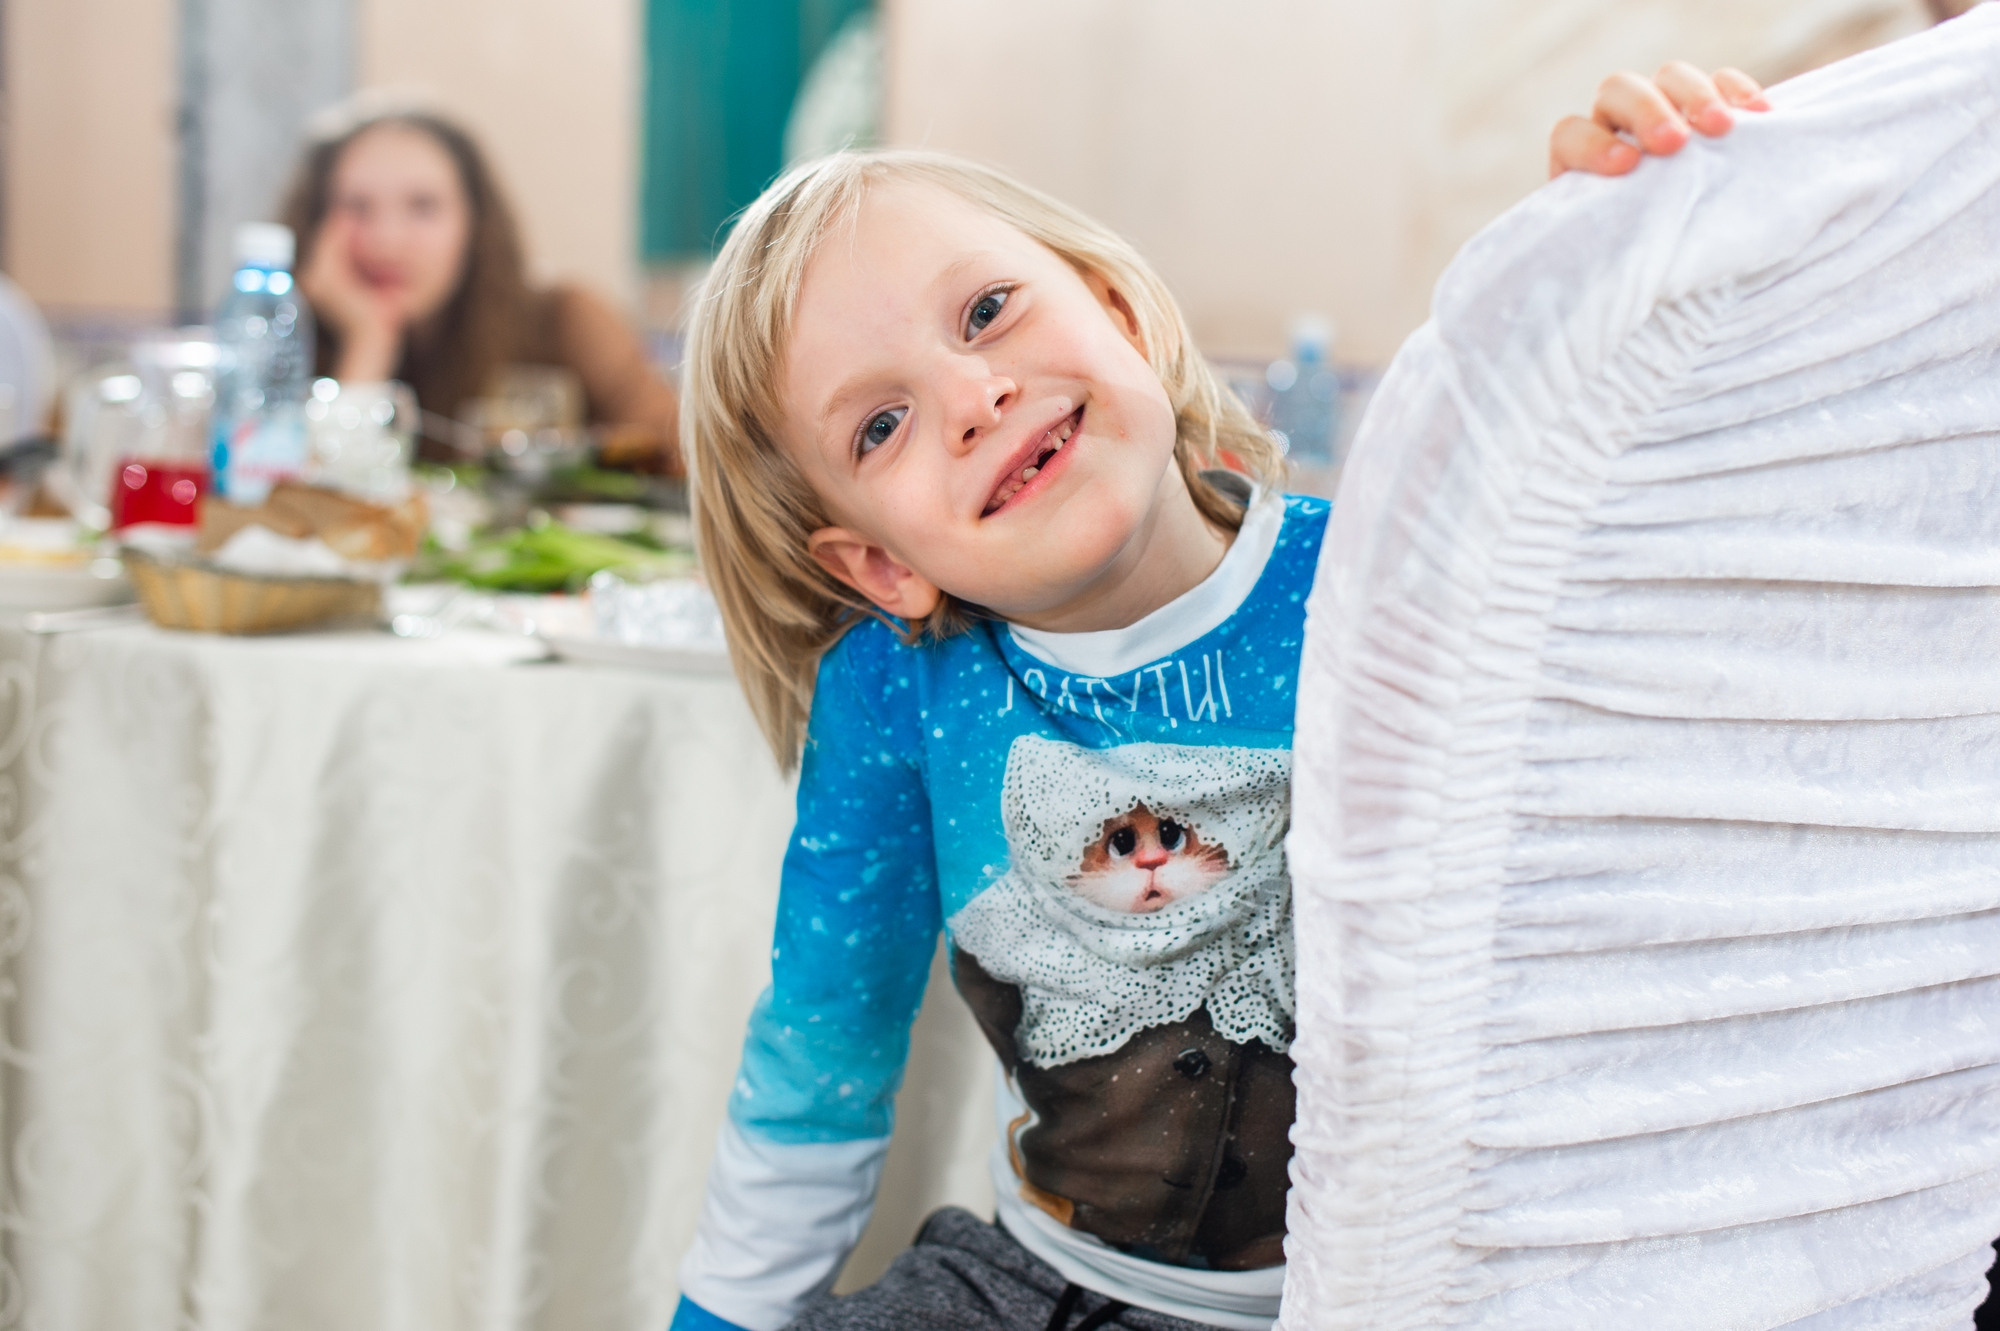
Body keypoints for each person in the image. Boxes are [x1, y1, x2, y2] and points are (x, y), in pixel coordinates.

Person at [671, 66, 1766, 1331]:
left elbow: (1676, 588)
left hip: (1430, 1287)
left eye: (984, 311)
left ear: (1121, 312)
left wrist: (1634, 238)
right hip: (1042, 1282)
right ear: (880, 565)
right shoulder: (892, 689)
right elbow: (819, 1053)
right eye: (879, 427)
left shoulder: (1385, 571)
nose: (975, 398)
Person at [279, 105, 681, 472]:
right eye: (356, 206)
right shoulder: (284, 335)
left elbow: (685, 458)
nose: (387, 240)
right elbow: (310, 508)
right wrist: (367, 342)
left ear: (475, 224)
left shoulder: (566, 319)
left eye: (423, 206)